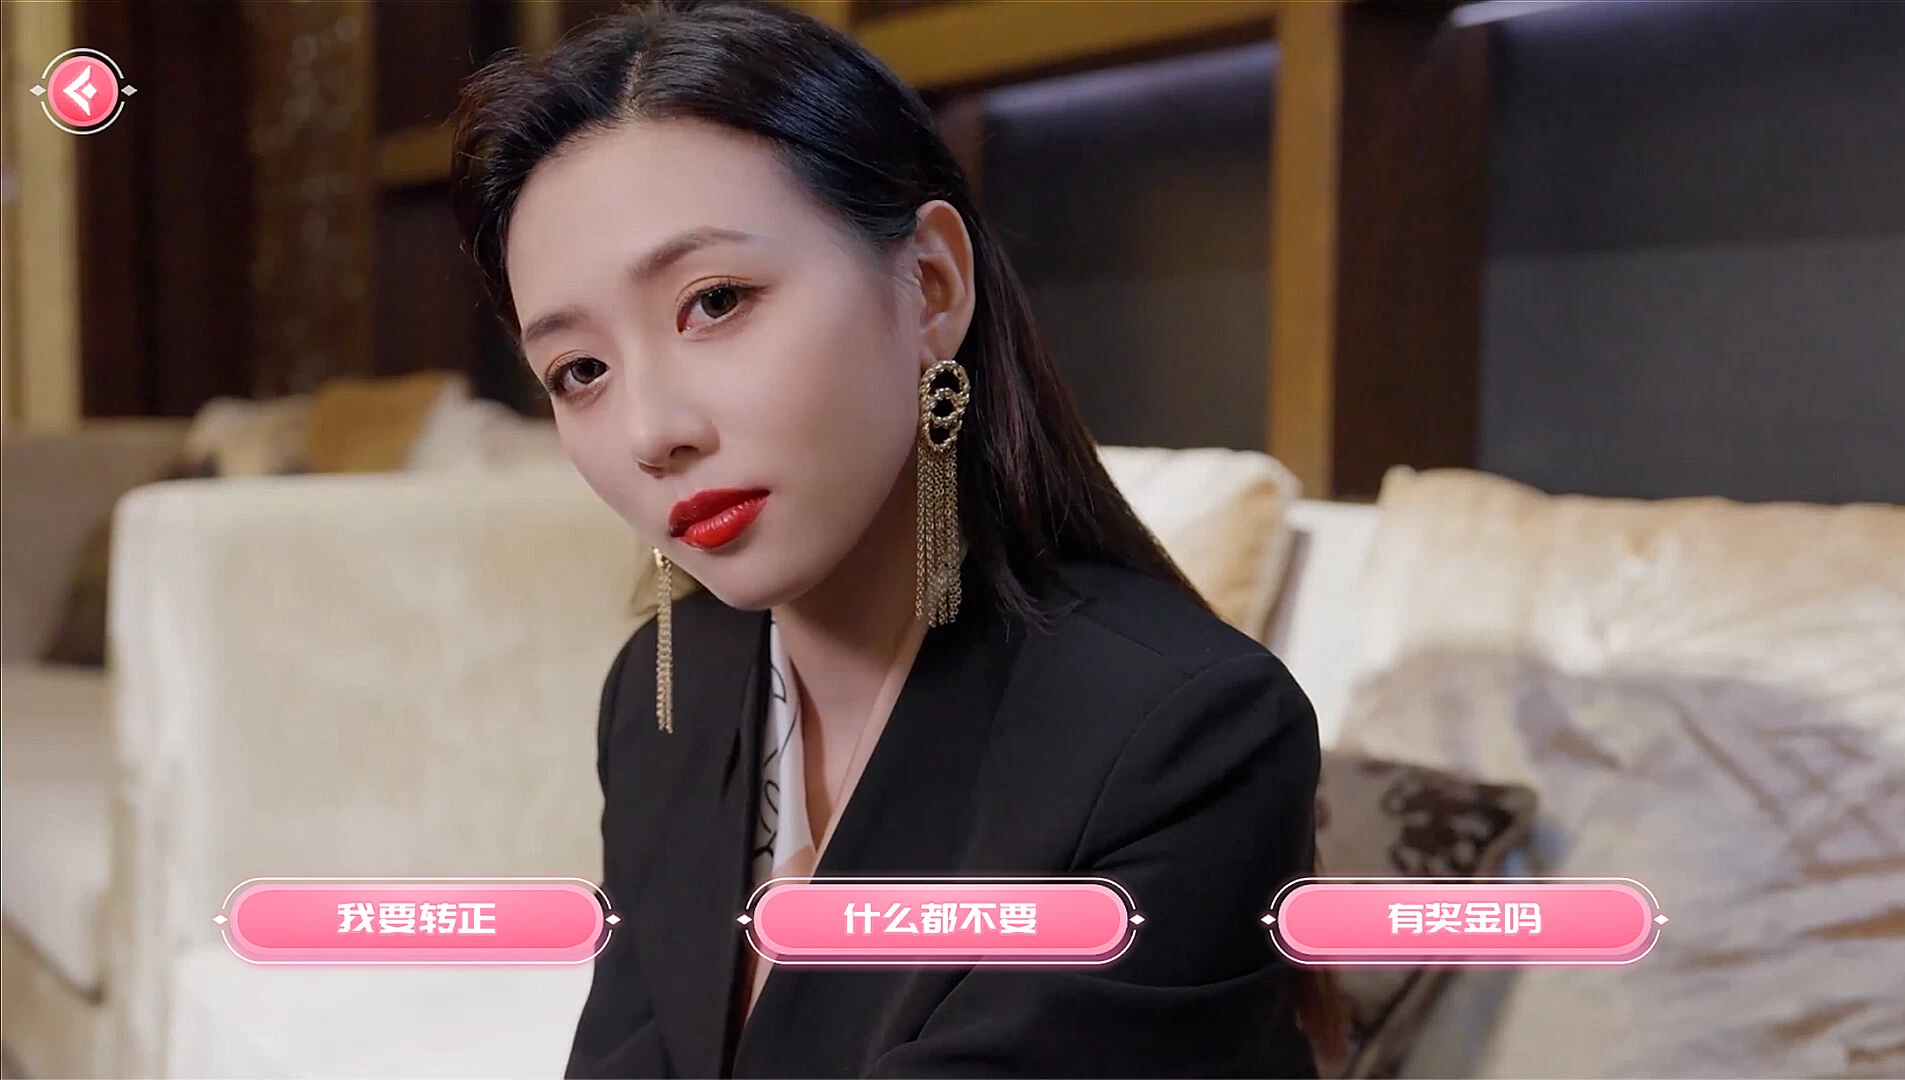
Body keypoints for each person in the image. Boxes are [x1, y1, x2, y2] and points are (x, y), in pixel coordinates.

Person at [450, 2, 1341, 1076]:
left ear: (930, 286)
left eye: (715, 301)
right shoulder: (664, 698)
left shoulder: (1186, 740)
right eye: (580, 371)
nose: (650, 432)